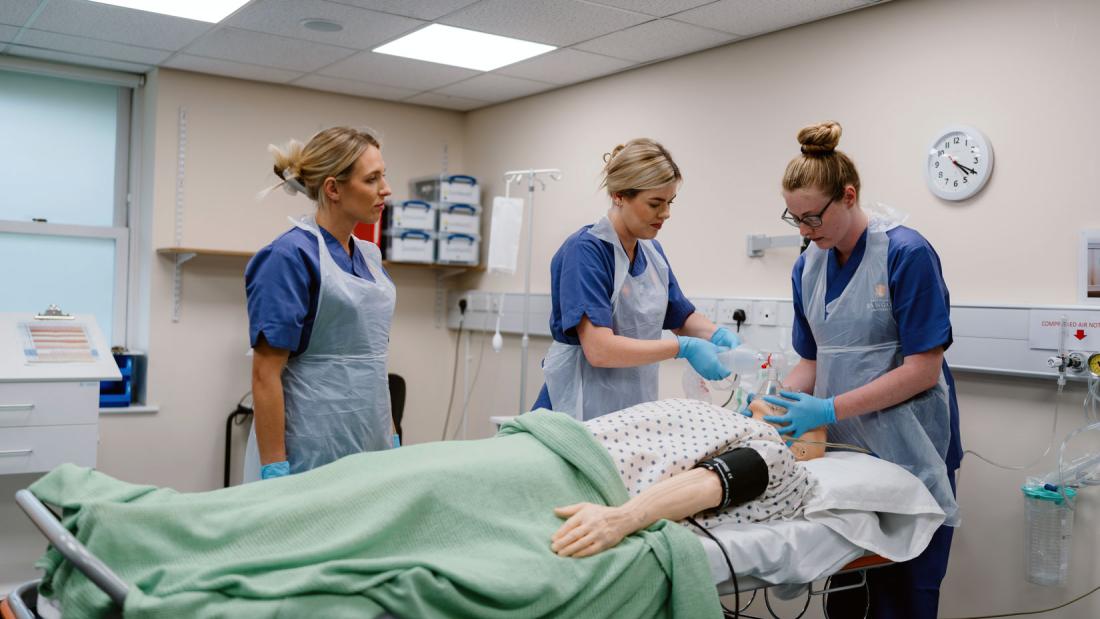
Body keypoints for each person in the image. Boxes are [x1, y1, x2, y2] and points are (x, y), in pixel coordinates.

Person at [753, 121, 962, 618]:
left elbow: (922, 371)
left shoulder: (907, 254)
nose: (804, 231)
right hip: (846, 461)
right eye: (794, 218)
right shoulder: (807, 267)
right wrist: (773, 403)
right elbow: (812, 360)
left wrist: (826, 406)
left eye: (812, 217)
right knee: (848, 600)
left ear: (848, 196)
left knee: (905, 598)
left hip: (914, 453)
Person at [534, 138, 739, 420]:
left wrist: (719, 336)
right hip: (576, 406)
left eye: (670, 202)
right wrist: (684, 348)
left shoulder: (651, 252)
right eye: (655, 203)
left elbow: (679, 317)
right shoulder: (585, 252)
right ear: (619, 195)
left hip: (630, 407)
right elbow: (599, 349)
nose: (665, 213)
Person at [242, 126, 396, 481]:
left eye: (383, 176)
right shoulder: (288, 257)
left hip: (369, 444)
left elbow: (373, 361)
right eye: (372, 179)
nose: (385, 190)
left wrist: (391, 437)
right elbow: (265, 374)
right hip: (307, 451)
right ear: (333, 188)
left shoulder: (370, 257)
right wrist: (275, 470)